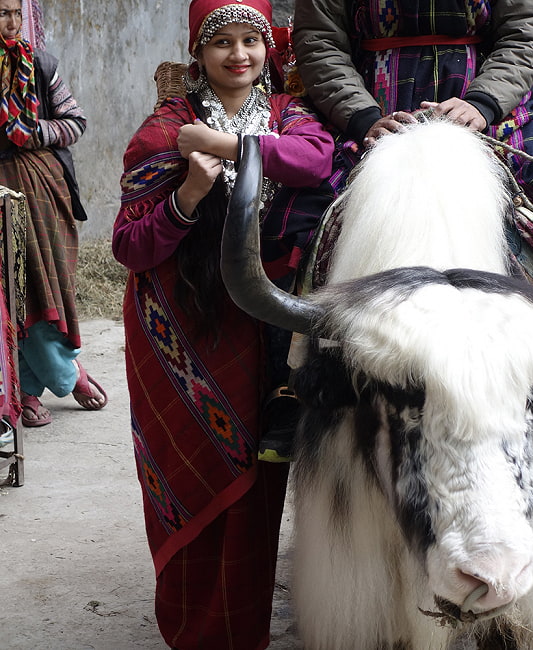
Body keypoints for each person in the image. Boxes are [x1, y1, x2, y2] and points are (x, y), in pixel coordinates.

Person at [293, 0, 533, 460]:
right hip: (375, 112)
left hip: (490, 108)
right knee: (299, 215)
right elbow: (320, 43)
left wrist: (482, 102)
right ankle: (285, 384)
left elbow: (525, 31)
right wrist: (362, 117)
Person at [112, 0, 335, 646]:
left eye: (251, 41)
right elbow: (130, 247)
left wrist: (226, 146)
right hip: (180, 339)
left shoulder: (290, 117)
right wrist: (185, 197)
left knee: (255, 489)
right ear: (197, 55)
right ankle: (190, 632)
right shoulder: (162, 130)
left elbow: (316, 159)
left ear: (269, 48)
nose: (239, 56)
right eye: (222, 44)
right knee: (188, 481)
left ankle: (242, 633)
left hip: (258, 331)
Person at [0, 0, 107, 428]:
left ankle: (34, 386)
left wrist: (34, 133)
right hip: (2, 194)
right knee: (14, 292)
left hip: (45, 189)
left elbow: (75, 121)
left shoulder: (40, 64)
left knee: (46, 288)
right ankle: (60, 376)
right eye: (0, 13)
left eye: (13, 12)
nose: (10, 22)